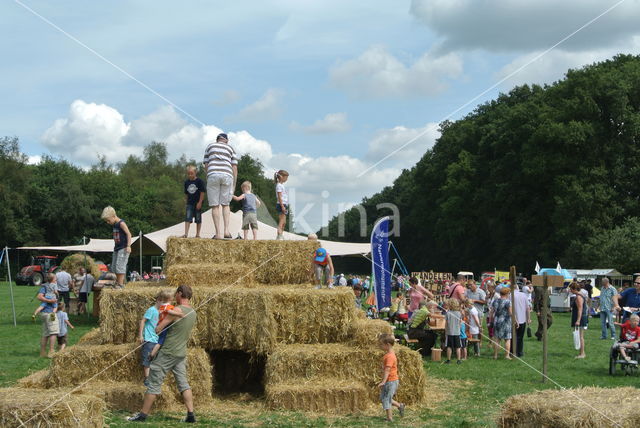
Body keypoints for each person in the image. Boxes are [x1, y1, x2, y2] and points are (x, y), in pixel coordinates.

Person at [128, 285, 198, 423]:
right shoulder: (193, 312)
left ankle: (142, 415)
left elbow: (158, 330)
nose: (173, 297)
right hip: (181, 353)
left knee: (153, 383)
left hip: (168, 352)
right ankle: (191, 415)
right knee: (184, 384)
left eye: (175, 294)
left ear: (179, 293)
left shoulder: (175, 310)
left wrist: (162, 322)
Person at [204, 133, 238, 240]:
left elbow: (206, 165)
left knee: (215, 206)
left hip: (212, 174)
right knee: (225, 204)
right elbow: (235, 168)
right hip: (227, 175)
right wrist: (234, 184)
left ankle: (218, 234)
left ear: (217, 140)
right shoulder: (230, 148)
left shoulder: (210, 146)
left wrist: (208, 176)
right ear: (226, 141)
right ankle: (226, 231)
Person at [101, 206, 132, 288]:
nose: (107, 222)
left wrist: (128, 246)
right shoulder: (114, 225)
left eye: (108, 220)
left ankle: (120, 284)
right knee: (114, 267)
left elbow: (129, 234)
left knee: (120, 266)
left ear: (113, 216)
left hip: (123, 248)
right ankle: (118, 282)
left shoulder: (121, 223)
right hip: (117, 248)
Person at [377, 334, 405, 422]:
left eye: (381, 344)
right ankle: (400, 405)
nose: (380, 346)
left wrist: (383, 381)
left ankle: (389, 418)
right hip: (389, 381)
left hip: (390, 381)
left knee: (386, 399)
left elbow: (387, 370)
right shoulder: (389, 354)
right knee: (383, 398)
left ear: (388, 344)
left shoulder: (390, 356)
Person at [150, 291, 186, 359]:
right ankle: (152, 354)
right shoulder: (167, 306)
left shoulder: (162, 306)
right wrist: (179, 314)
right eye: (173, 297)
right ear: (170, 299)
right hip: (163, 326)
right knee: (160, 341)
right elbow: (170, 312)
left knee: (156, 339)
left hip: (158, 323)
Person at [138, 292, 162, 379]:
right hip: (149, 339)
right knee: (147, 360)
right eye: (163, 302)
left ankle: (154, 378)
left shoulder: (163, 312)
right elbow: (143, 321)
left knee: (155, 360)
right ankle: (147, 379)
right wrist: (141, 335)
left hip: (157, 341)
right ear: (158, 301)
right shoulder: (151, 310)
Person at [36, 274, 59, 358]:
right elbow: (39, 297)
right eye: (55, 278)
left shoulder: (45, 286)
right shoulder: (50, 286)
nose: (56, 279)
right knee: (54, 332)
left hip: (44, 313)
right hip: (50, 313)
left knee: (45, 333)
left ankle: (42, 353)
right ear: (52, 279)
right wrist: (50, 300)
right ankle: (51, 352)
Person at [183, 165, 206, 238]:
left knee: (198, 218)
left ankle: (198, 234)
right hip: (190, 203)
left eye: (191, 173)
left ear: (195, 172)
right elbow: (186, 193)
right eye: (188, 173)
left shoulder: (199, 181)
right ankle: (186, 234)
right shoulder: (186, 182)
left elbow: (202, 192)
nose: (190, 175)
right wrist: (186, 203)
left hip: (197, 203)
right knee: (187, 218)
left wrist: (200, 202)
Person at [491, 287, 512, 360]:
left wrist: (491, 320)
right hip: (505, 321)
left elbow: (491, 312)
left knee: (497, 339)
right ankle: (507, 355)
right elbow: (510, 313)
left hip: (496, 320)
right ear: (507, 293)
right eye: (509, 293)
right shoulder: (508, 302)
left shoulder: (495, 301)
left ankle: (495, 355)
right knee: (507, 339)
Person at [465, 281, 486, 349]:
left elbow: (484, 302)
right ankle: (470, 342)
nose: (469, 286)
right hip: (469, 312)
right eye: (468, 285)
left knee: (479, 328)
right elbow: (465, 299)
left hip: (478, 313)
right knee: (470, 327)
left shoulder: (481, 292)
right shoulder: (468, 291)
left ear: (475, 284)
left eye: (471, 285)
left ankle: (480, 341)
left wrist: (475, 301)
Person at [569, 282, 587, 359]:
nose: (570, 290)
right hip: (579, 317)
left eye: (571, 289)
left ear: (574, 289)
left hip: (580, 318)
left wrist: (578, 320)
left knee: (580, 336)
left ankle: (582, 353)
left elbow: (580, 309)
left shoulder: (579, 297)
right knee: (580, 336)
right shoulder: (580, 295)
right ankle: (581, 352)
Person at [513, 286, 531, 358]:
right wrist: (528, 318)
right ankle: (519, 352)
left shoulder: (511, 295)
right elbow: (528, 308)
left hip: (514, 319)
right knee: (520, 337)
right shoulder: (523, 295)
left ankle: (513, 351)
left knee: (513, 337)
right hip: (522, 319)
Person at [444, 298, 463, 364]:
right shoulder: (459, 313)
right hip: (457, 332)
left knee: (449, 347)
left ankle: (449, 360)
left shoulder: (448, 313)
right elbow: (460, 323)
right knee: (458, 347)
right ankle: (458, 360)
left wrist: (446, 331)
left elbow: (446, 324)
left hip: (450, 332)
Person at [274, 169, 289, 240]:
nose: (287, 179)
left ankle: (281, 234)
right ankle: (279, 235)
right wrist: (282, 206)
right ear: (282, 177)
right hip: (281, 204)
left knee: (284, 222)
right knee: (281, 221)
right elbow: (279, 197)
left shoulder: (281, 185)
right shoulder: (279, 185)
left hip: (284, 204)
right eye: (286, 177)